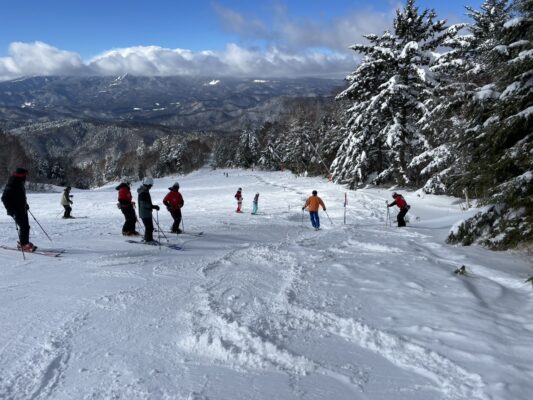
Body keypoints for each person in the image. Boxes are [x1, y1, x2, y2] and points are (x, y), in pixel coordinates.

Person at [1, 168, 36, 252]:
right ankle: (24, 245)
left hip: (22, 209)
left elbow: (21, 196)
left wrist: (25, 204)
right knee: (24, 226)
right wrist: (10, 211)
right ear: (21, 176)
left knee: (25, 226)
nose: (26, 178)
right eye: (25, 176)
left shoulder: (19, 183)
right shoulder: (11, 185)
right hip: (16, 210)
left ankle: (24, 242)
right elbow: (4, 198)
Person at [137, 177, 159, 243]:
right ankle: (148, 240)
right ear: (148, 184)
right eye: (150, 186)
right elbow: (144, 204)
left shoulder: (145, 191)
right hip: (144, 213)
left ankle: (148, 239)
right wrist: (153, 206)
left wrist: (152, 207)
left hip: (146, 212)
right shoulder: (143, 192)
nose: (151, 187)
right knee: (149, 227)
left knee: (150, 227)